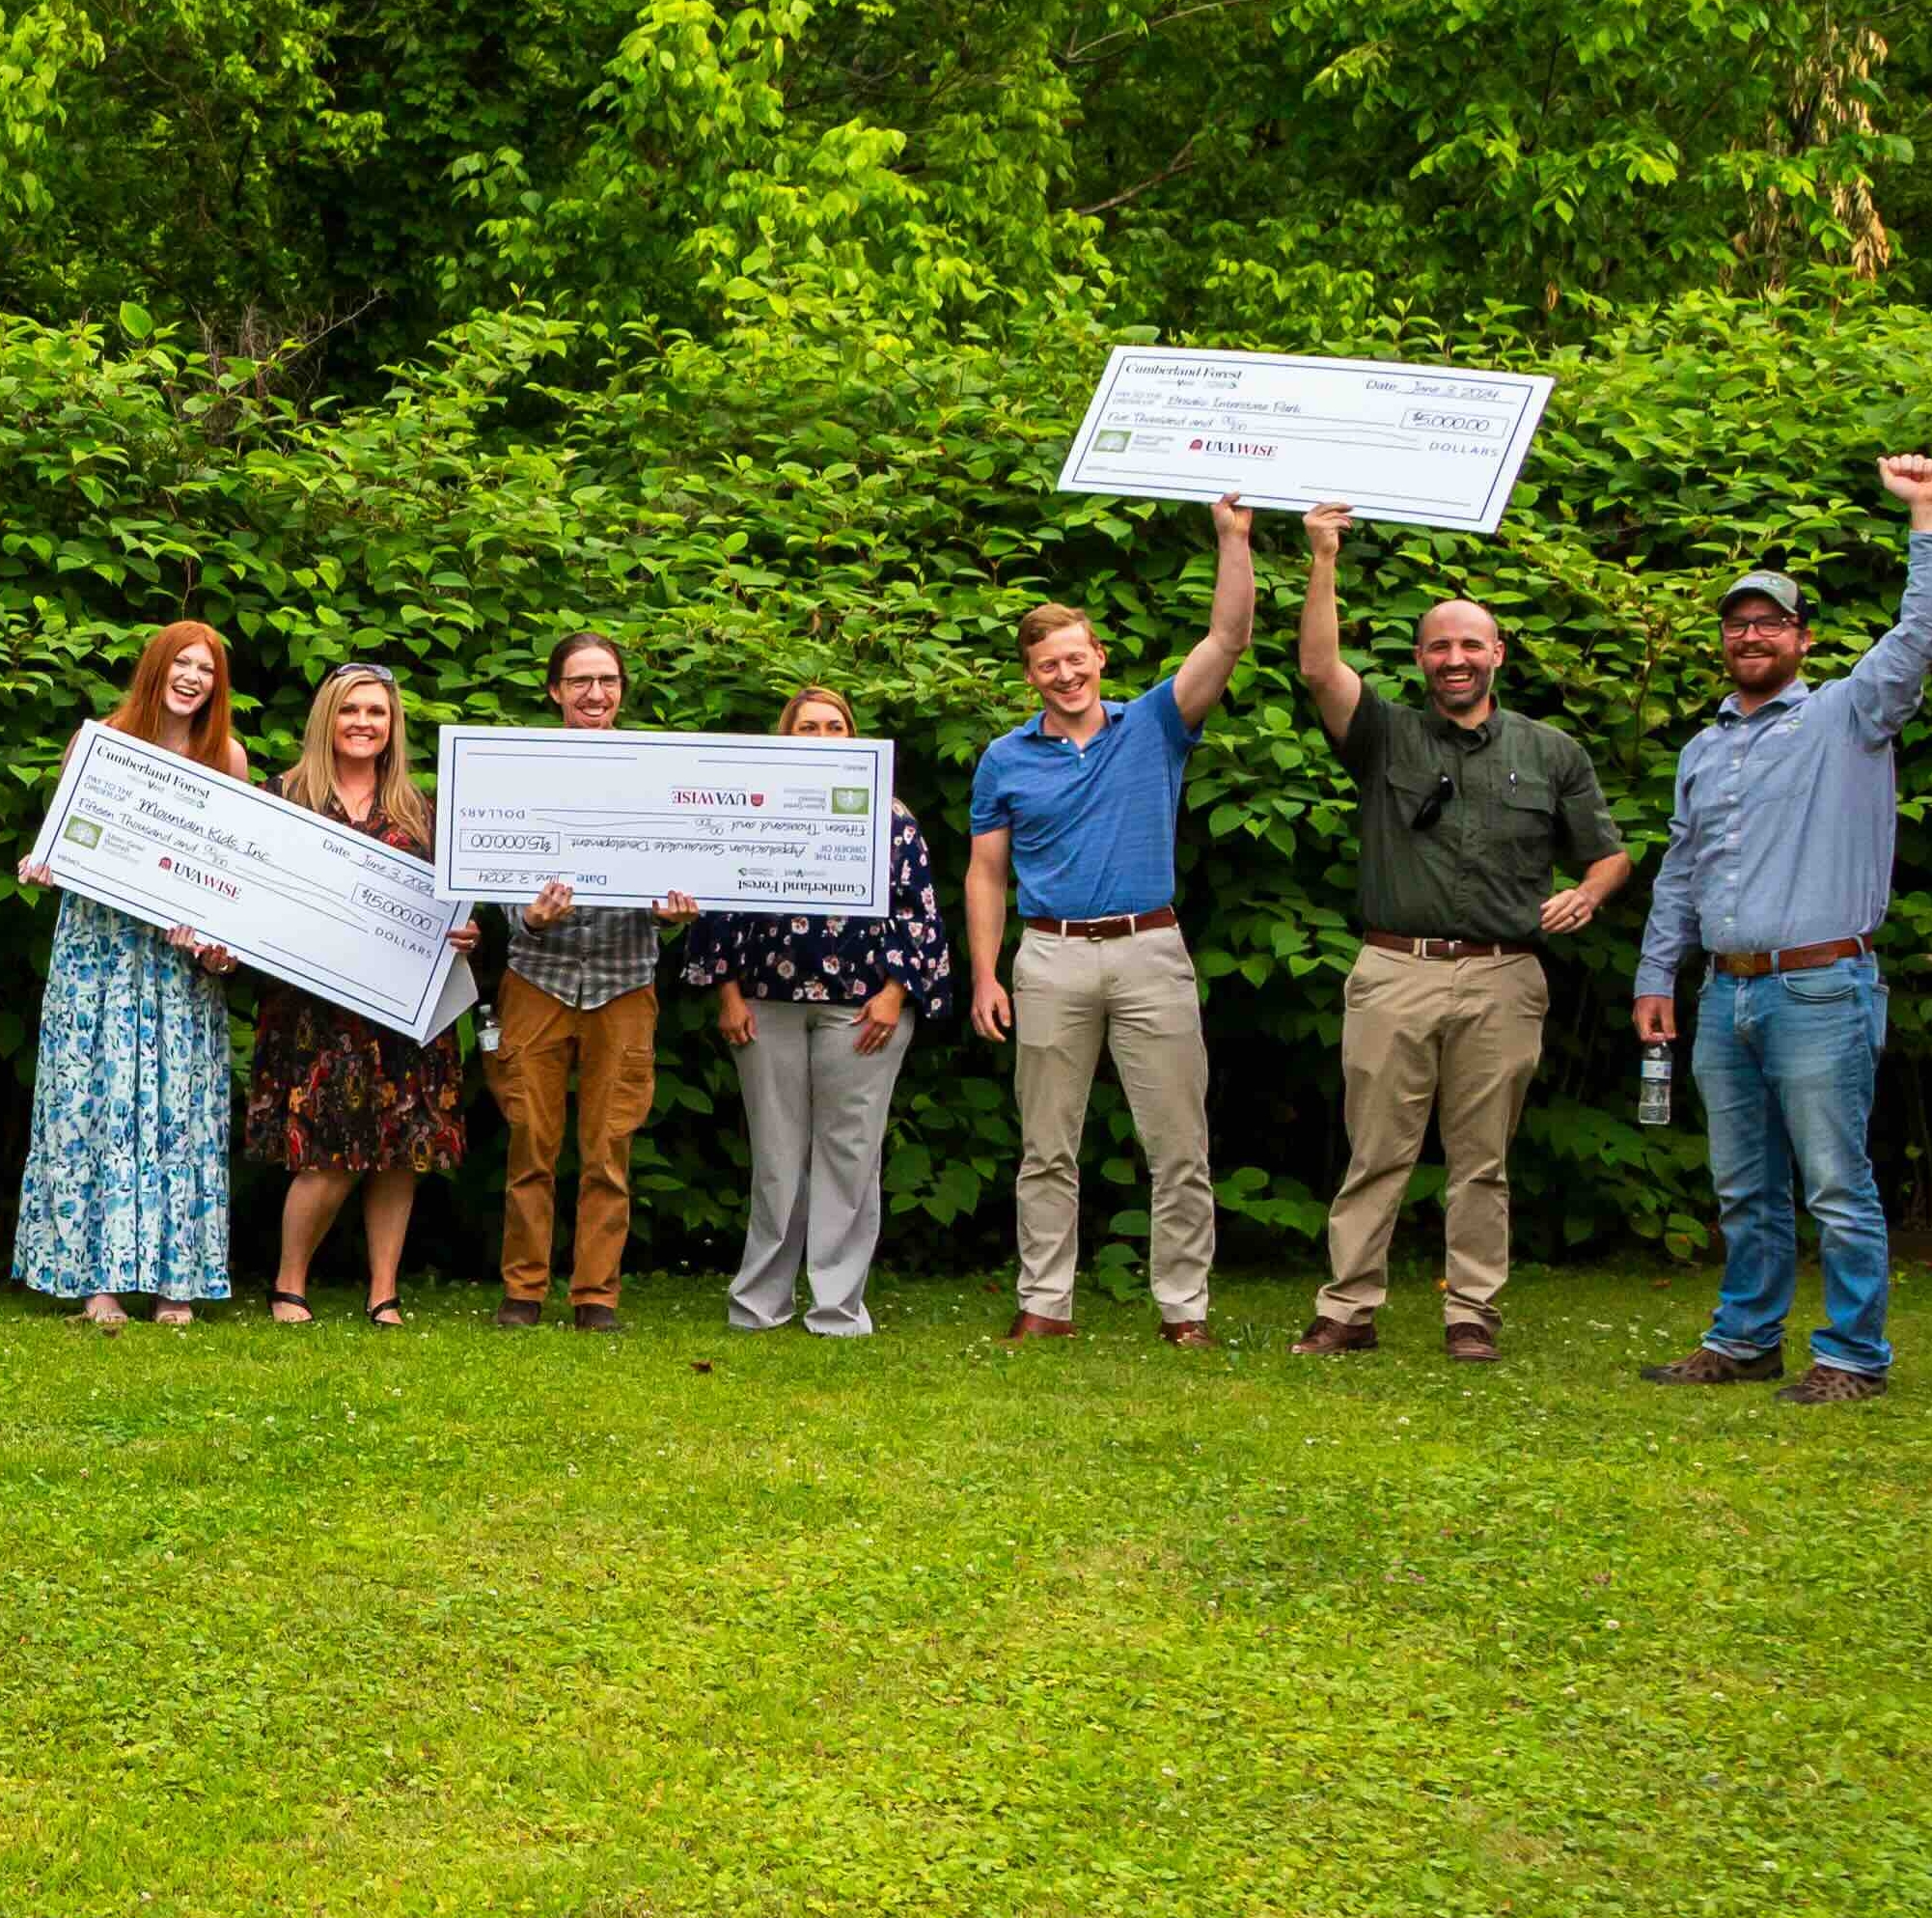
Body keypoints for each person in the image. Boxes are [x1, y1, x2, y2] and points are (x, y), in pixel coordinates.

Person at [1637, 456, 1932, 1406]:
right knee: (1742, 1188)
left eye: (1767, 621)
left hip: (1818, 987)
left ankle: (1851, 1356)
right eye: (1735, 623)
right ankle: (1743, 1340)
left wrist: (1927, 512)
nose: (1748, 634)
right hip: (1722, 991)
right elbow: (1680, 871)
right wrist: (1655, 975)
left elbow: (1920, 630)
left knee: (1831, 1184)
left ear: (1799, 638)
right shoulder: (1701, 749)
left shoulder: (1844, 717)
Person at [1292, 503, 1633, 1362]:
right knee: (1375, 1151)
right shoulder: (1384, 737)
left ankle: (1471, 1313)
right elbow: (1319, 666)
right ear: (1419, 660)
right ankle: (1348, 1310)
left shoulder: (1552, 752)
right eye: (1438, 646)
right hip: (1393, 969)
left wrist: (1587, 895)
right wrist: (1322, 558)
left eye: (1469, 645)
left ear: (1497, 656)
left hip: (1502, 977)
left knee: (1482, 1160)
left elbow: (1608, 855)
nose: (1454, 659)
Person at [964, 500, 1258, 1347]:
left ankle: (1183, 1310)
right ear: (1030, 678)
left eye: (1075, 658)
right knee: (1045, 1148)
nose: (1065, 675)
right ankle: (1045, 1305)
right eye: (1047, 666)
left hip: (1149, 950)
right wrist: (985, 973)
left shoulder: (1156, 724)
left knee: (1177, 1144)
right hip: (1049, 958)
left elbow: (1226, 641)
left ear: (1099, 656)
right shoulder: (1004, 758)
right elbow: (985, 873)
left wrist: (1231, 539)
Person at [670, 688, 954, 1338]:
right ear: (785, 737)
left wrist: (893, 993)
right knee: (774, 1158)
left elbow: (918, 915)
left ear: (853, 738)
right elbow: (719, 903)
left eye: (833, 726)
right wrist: (727, 993)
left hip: (863, 1009)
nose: (821, 736)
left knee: (849, 1156)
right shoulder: (754, 811)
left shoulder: (891, 819)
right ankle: (759, 1304)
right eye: (806, 727)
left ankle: (836, 1306)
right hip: (763, 1005)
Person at [9, 621, 251, 1325]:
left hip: (177, 963)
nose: (192, 678)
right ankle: (99, 1283)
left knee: (179, 1110)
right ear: (154, 668)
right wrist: (43, 863)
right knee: (95, 1103)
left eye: (205, 670)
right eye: (181, 663)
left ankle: (176, 1284)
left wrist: (214, 934)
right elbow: (62, 837)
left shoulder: (225, 757)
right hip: (101, 951)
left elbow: (233, 873)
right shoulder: (98, 742)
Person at [240, 663, 481, 1325]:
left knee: (399, 1151)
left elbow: (454, 908)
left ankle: (383, 1290)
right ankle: (288, 1284)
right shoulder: (280, 798)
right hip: (311, 1012)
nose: (362, 723)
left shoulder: (422, 811)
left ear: (391, 725)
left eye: (375, 712)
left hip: (404, 1013)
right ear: (326, 718)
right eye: (350, 710)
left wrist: (463, 933)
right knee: (324, 1153)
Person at [481, 630, 701, 1333]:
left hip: (623, 981)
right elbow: (493, 869)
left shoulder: (659, 776)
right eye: (579, 682)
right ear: (554, 691)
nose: (594, 694)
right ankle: (523, 1290)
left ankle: (595, 1296)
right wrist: (531, 918)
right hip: (536, 977)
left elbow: (685, 867)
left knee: (609, 1148)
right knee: (529, 1145)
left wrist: (674, 913)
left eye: (606, 681)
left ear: (622, 691)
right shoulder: (515, 773)